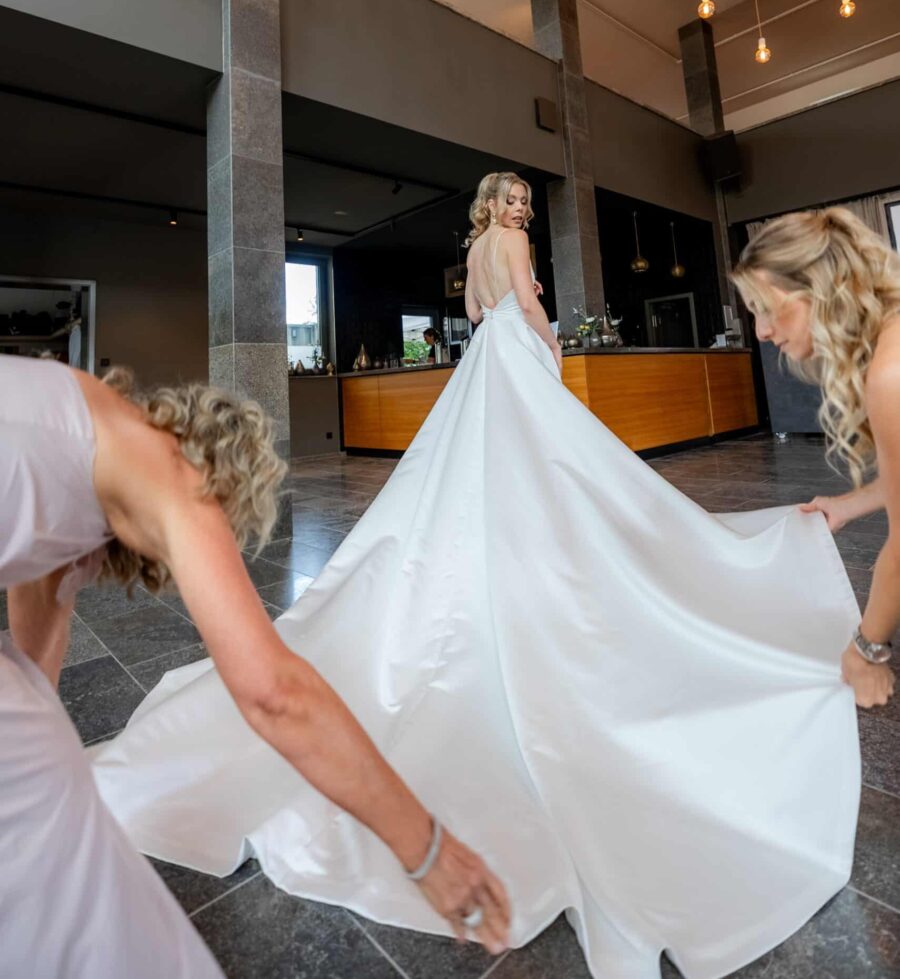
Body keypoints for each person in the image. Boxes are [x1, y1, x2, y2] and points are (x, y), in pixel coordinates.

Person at [94, 172, 859, 979]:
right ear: (496, 207)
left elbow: (470, 313)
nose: (522, 211)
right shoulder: (517, 247)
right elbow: (527, 306)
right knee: (546, 473)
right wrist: (551, 342)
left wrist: (510, 319)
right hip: (519, 355)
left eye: (526, 203)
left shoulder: (473, 251)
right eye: (514, 201)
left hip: (484, 360)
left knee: (479, 480)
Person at [0, 355, 510, 979]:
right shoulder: (172, 472)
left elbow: (37, 605)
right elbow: (274, 694)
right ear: (219, 472)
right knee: (77, 893)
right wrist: (426, 850)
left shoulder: (78, 418)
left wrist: (40, 756)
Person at [732, 205, 900, 710]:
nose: (761, 331)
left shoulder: (889, 373)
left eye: (765, 307)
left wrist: (867, 648)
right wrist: (851, 504)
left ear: (817, 289)